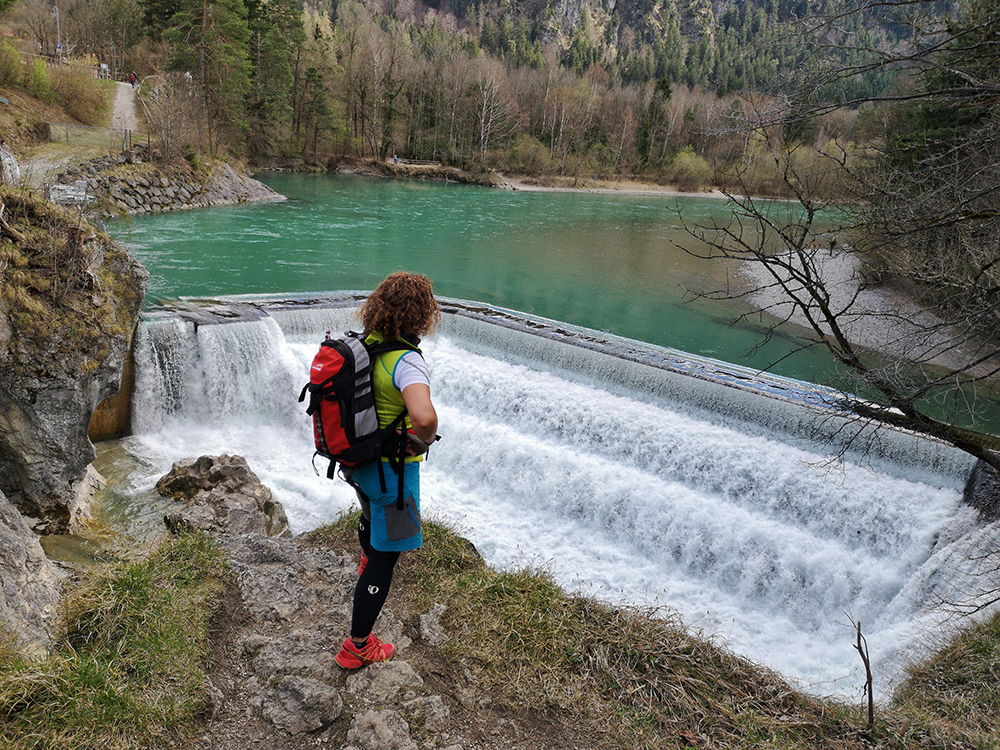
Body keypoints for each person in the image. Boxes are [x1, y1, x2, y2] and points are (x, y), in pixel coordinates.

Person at [334, 271, 440, 670]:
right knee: (385, 558)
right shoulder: (407, 360)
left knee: (369, 517)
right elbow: (423, 416)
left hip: (358, 463)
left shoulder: (366, 346)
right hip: (391, 474)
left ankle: (367, 557)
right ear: (422, 314)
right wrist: (425, 438)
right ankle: (357, 646)